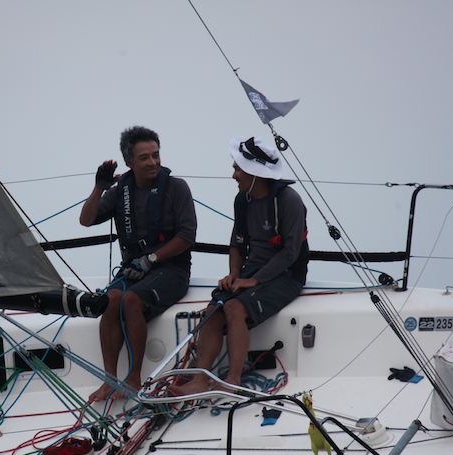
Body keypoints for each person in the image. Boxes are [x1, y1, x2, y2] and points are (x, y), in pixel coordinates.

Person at [172, 135, 308, 396]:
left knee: (234, 307)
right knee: (213, 310)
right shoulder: (242, 200)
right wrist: (234, 274)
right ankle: (200, 380)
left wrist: (253, 280)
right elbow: (237, 243)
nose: (233, 175)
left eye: (237, 169)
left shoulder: (289, 200)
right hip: (251, 272)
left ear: (255, 173)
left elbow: (290, 253)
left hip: (287, 274)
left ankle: (232, 379)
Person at [80, 126, 197, 403]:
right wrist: (100, 188)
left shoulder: (176, 187)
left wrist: (151, 259)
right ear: (129, 162)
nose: (153, 162)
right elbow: (86, 220)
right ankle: (109, 380)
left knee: (132, 299)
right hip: (134, 269)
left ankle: (134, 378)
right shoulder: (121, 190)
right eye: (144, 158)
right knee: (110, 300)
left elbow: (187, 236)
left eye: (156, 155)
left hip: (171, 269)